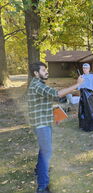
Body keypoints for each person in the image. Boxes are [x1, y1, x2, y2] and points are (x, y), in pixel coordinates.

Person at [27, 62, 84, 193]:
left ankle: (39, 169)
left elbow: (46, 101)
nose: (46, 71)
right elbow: (56, 94)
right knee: (46, 153)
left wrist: (56, 114)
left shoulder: (39, 85)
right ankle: (42, 187)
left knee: (44, 150)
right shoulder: (36, 85)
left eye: (46, 69)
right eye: (43, 70)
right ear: (36, 73)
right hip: (41, 125)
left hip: (44, 123)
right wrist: (77, 84)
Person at [77, 63, 93, 132]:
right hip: (83, 96)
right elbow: (78, 87)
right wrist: (79, 82)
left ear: (89, 69)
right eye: (84, 68)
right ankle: (83, 124)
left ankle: (91, 125)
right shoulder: (81, 77)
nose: (85, 69)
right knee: (83, 110)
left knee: (90, 110)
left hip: (89, 96)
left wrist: (89, 89)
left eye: (86, 68)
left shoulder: (92, 76)